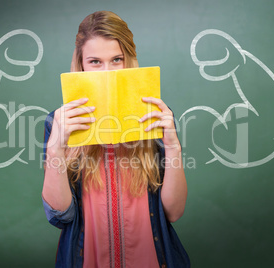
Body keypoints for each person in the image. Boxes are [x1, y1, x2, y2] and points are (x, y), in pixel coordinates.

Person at [42, 11, 190, 268]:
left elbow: (173, 213)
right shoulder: (58, 122)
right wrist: (56, 149)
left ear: (129, 61)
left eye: (116, 60)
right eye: (95, 62)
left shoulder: (156, 118)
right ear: (81, 65)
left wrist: (173, 148)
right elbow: (61, 216)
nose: (107, 72)